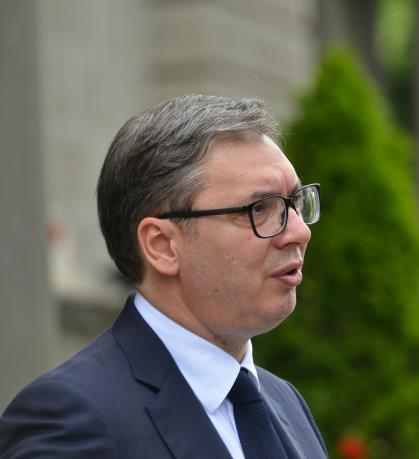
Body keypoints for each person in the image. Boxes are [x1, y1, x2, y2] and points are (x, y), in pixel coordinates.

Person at [0, 95, 327, 459]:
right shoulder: (71, 420)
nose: (299, 232)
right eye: (259, 208)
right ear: (162, 246)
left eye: (294, 202)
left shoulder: (285, 402)